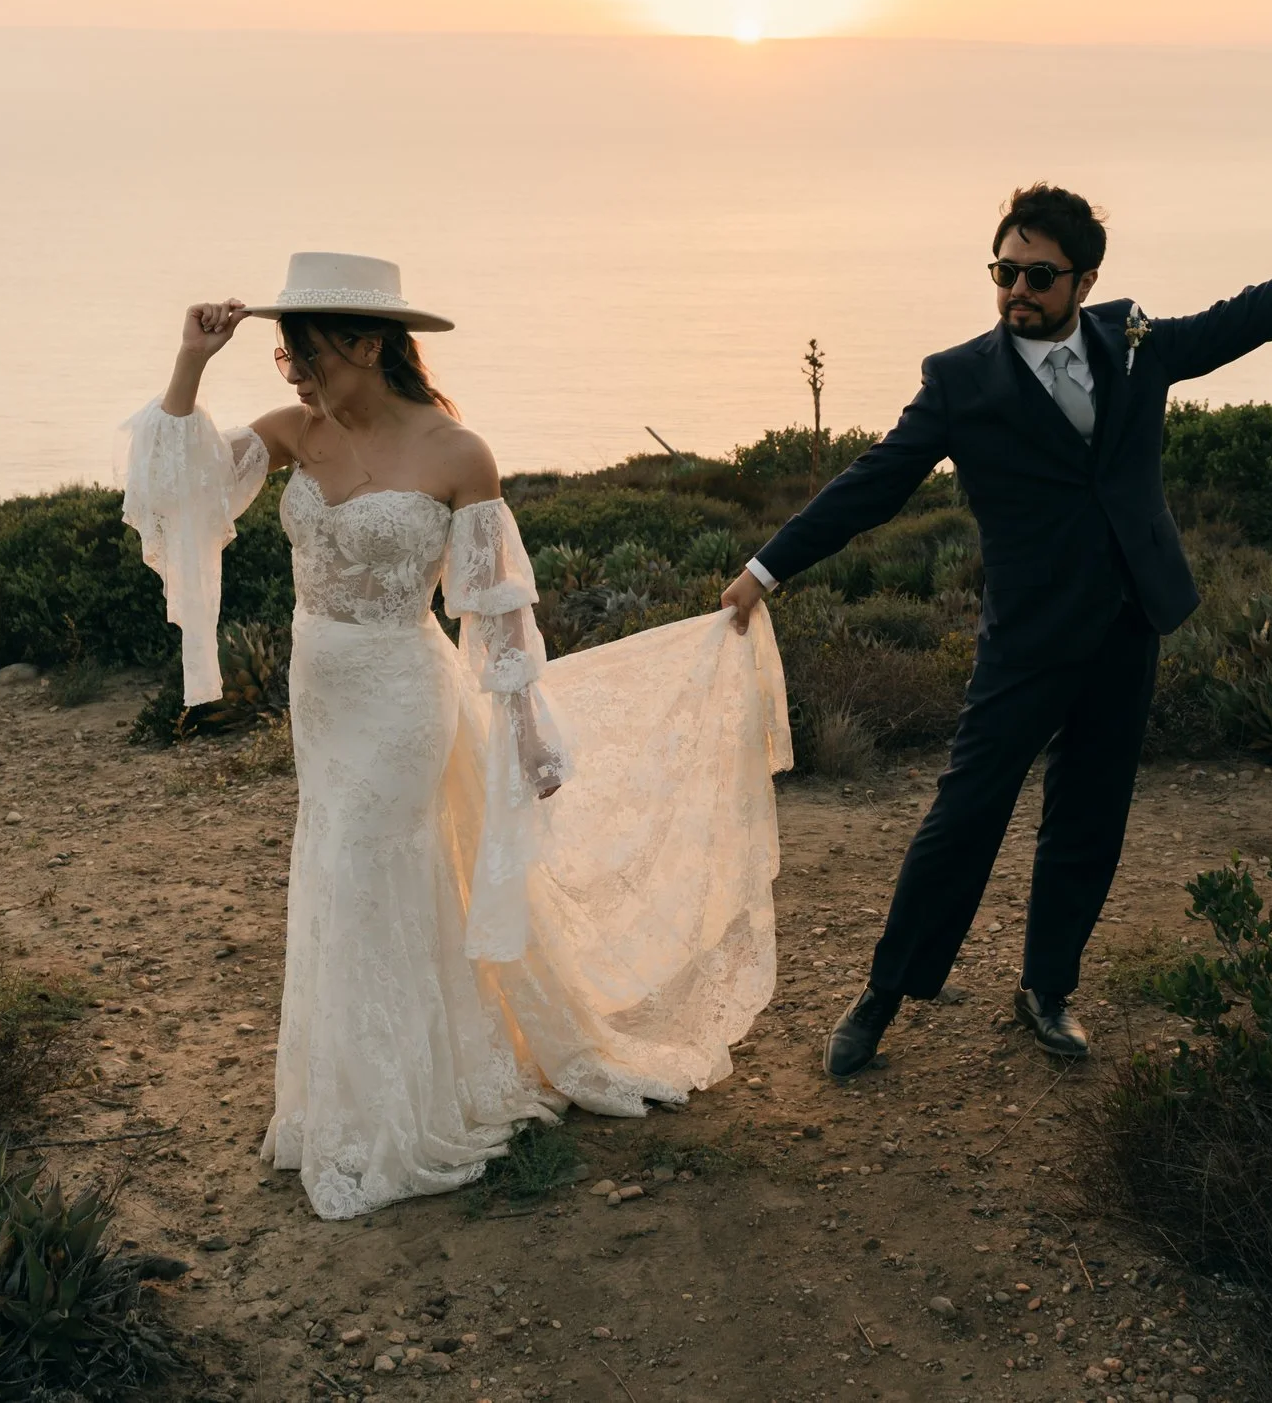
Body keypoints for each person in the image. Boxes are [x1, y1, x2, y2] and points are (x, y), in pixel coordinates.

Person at [721, 186, 1272, 1078]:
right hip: (1026, 637)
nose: (1016, 290)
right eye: (1004, 271)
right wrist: (766, 569)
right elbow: (875, 481)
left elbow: (1253, 317)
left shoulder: (1132, 339)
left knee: (1090, 814)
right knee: (965, 816)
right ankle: (883, 996)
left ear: (1085, 278)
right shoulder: (960, 380)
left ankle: (1045, 990)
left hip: (1129, 620)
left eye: (1037, 275)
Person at [123, 252, 788, 1219]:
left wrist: (525, 730)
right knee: (342, 869)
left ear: (365, 341)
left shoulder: (456, 453)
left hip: (401, 691)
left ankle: (393, 1111)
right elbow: (174, 494)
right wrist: (190, 362)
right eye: (283, 357)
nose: (295, 373)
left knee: (366, 868)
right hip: (321, 687)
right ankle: (353, 1096)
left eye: (306, 352)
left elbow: (496, 609)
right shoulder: (290, 433)